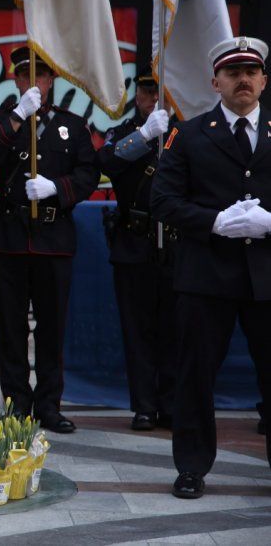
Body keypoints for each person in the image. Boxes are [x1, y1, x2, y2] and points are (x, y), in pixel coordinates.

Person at [151, 36, 271, 499]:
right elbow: (162, 200)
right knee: (196, 377)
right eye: (233, 72)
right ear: (214, 81)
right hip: (207, 275)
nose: (243, 80)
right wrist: (215, 221)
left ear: (263, 80)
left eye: (251, 72)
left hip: (266, 276)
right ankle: (192, 467)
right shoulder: (191, 134)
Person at [0, 47, 99, 433]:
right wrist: (17, 116)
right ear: (15, 80)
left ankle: (49, 404)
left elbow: (88, 174)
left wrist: (55, 188)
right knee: (11, 330)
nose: (33, 82)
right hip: (10, 237)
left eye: (41, 76)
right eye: (25, 75)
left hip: (53, 239)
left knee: (51, 328)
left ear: (52, 80)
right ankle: (16, 404)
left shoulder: (72, 125)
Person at [97, 68, 176, 431]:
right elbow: (107, 162)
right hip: (135, 242)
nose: (153, 98)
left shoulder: (187, 133)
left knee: (175, 329)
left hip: (176, 246)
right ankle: (145, 405)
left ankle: (172, 403)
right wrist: (145, 136)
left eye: (160, 91)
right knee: (138, 331)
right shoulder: (124, 132)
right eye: (147, 92)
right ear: (138, 96)